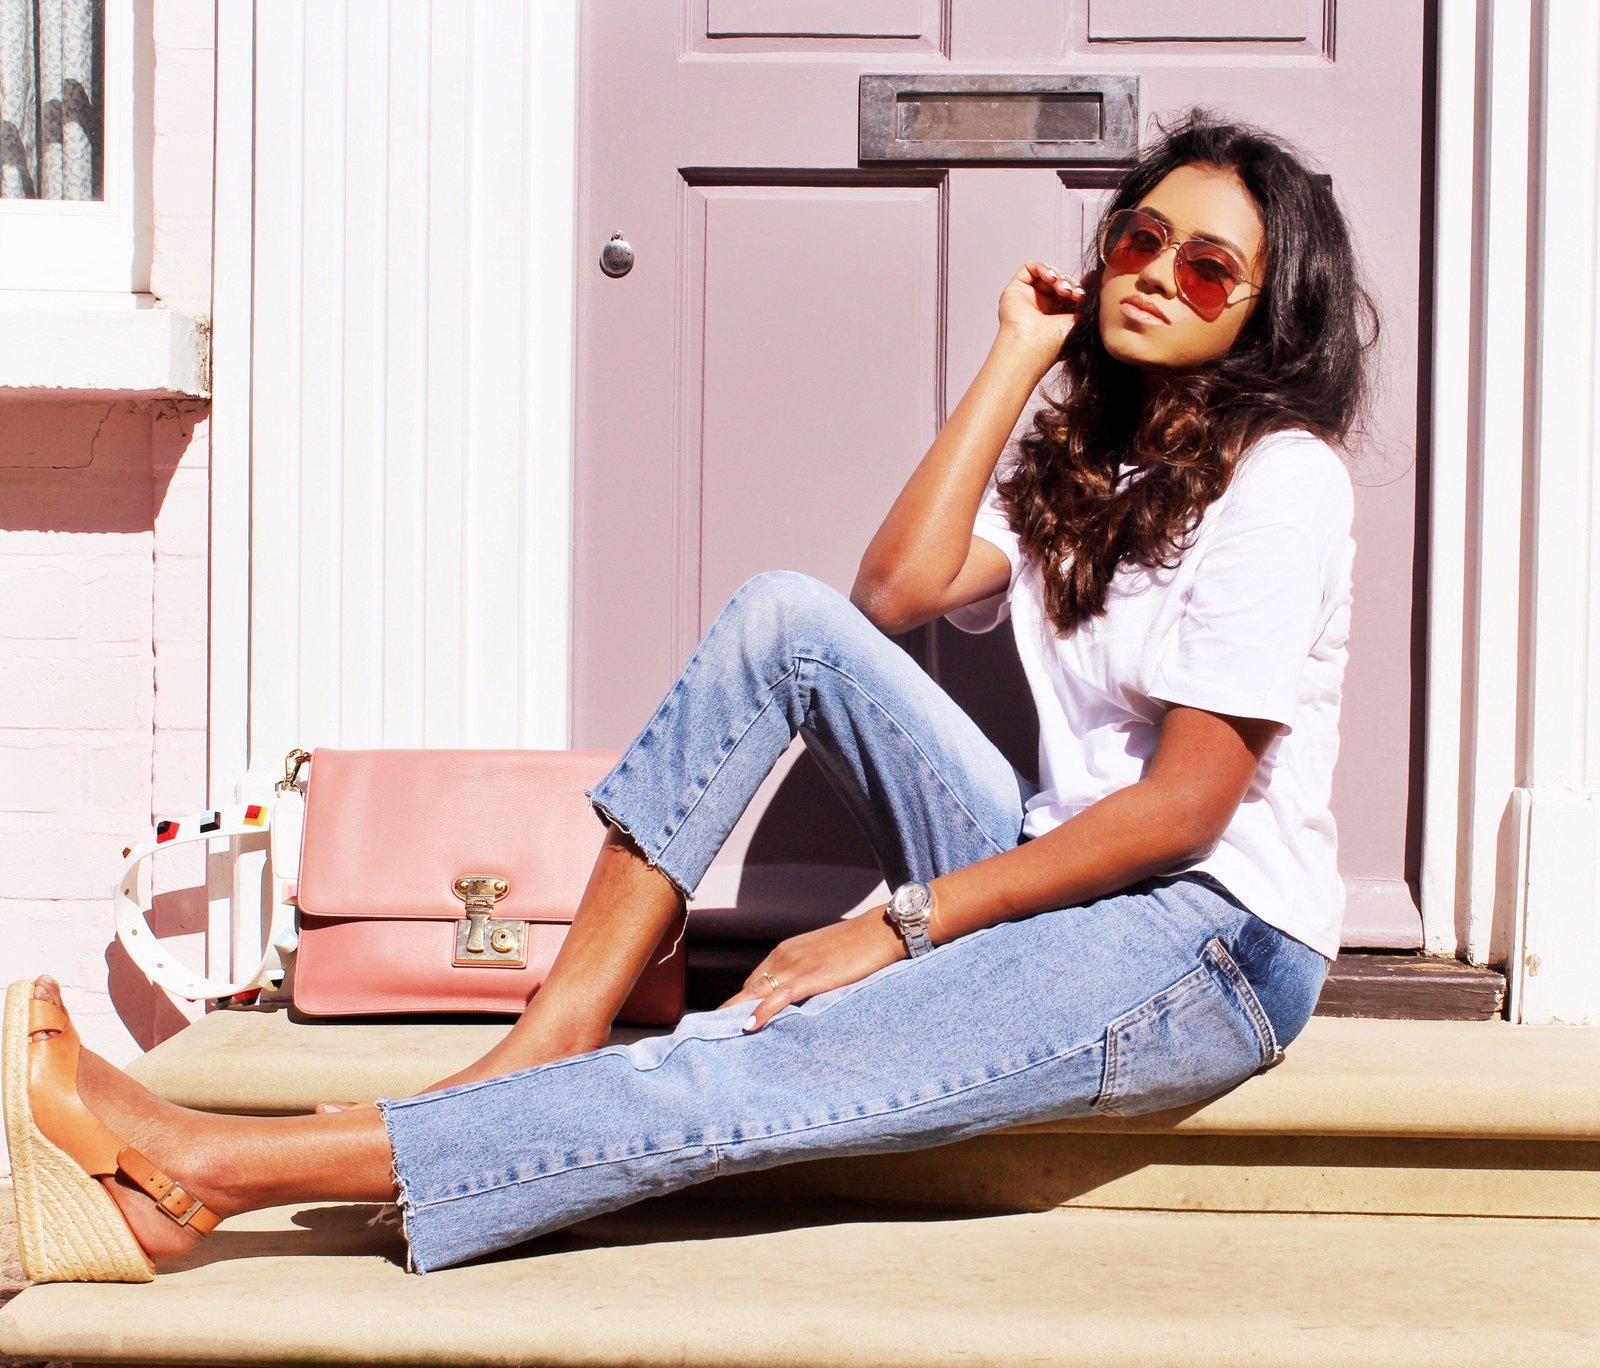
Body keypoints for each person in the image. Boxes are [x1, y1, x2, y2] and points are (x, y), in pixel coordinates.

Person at [5, 110, 1374, 1282]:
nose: (1154, 276)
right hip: (1051, 874)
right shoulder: (1100, 467)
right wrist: (1020, 354)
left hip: (1203, 940)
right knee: (789, 617)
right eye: (1137, 238)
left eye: (1208, 270)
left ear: (1268, 310)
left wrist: (900, 928)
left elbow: (1188, 807)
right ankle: (551, 1035)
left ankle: (201, 1166)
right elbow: (889, 592)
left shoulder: (1284, 478)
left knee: (756, 1048)